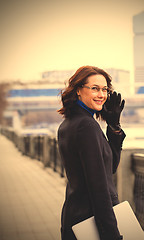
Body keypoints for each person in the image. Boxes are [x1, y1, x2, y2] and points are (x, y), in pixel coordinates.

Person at [57, 66, 126, 240]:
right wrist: (112, 234)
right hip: (90, 222)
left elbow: (108, 168)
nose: (101, 95)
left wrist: (114, 127)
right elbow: (98, 188)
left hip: (76, 215)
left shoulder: (70, 123)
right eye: (95, 88)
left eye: (105, 89)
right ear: (79, 90)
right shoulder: (86, 126)